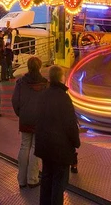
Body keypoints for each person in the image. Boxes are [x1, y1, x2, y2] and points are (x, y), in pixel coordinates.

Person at [34, 65, 80, 205]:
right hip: (60, 149)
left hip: (45, 146)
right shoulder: (64, 99)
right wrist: (76, 142)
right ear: (61, 79)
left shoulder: (43, 95)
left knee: (47, 179)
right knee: (59, 184)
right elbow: (70, 125)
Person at [13, 56, 48, 188]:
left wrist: (21, 113)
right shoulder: (45, 83)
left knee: (24, 146)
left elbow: (15, 101)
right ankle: (32, 179)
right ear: (39, 67)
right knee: (35, 147)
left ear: (28, 66)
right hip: (40, 120)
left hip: (25, 118)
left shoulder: (21, 82)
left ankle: (21, 179)